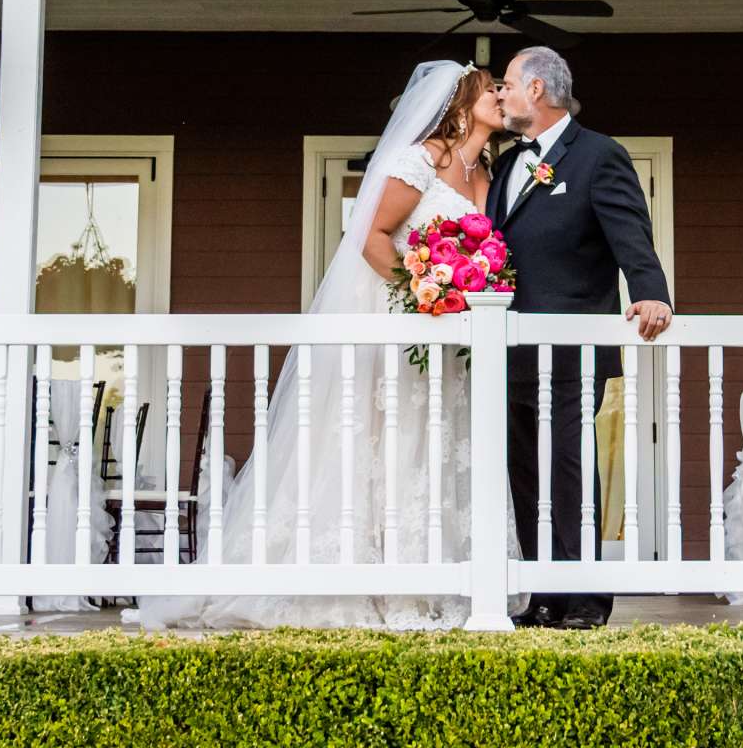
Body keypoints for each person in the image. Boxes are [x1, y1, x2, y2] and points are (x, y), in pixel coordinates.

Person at [132, 59, 506, 630]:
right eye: (491, 90)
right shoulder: (424, 157)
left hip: (452, 341)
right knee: (385, 439)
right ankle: (362, 577)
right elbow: (371, 236)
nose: (501, 97)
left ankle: (438, 576)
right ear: (460, 103)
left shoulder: (485, 175)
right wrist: (422, 288)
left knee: (436, 445)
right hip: (403, 322)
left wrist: (464, 290)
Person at [491, 45, 672, 629]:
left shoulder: (598, 156)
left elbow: (629, 233)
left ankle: (587, 598)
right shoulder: (504, 167)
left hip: (571, 353)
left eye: (508, 86)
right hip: (510, 350)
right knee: (525, 473)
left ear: (537, 91)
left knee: (569, 470)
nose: (502, 96)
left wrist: (651, 290)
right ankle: (544, 595)